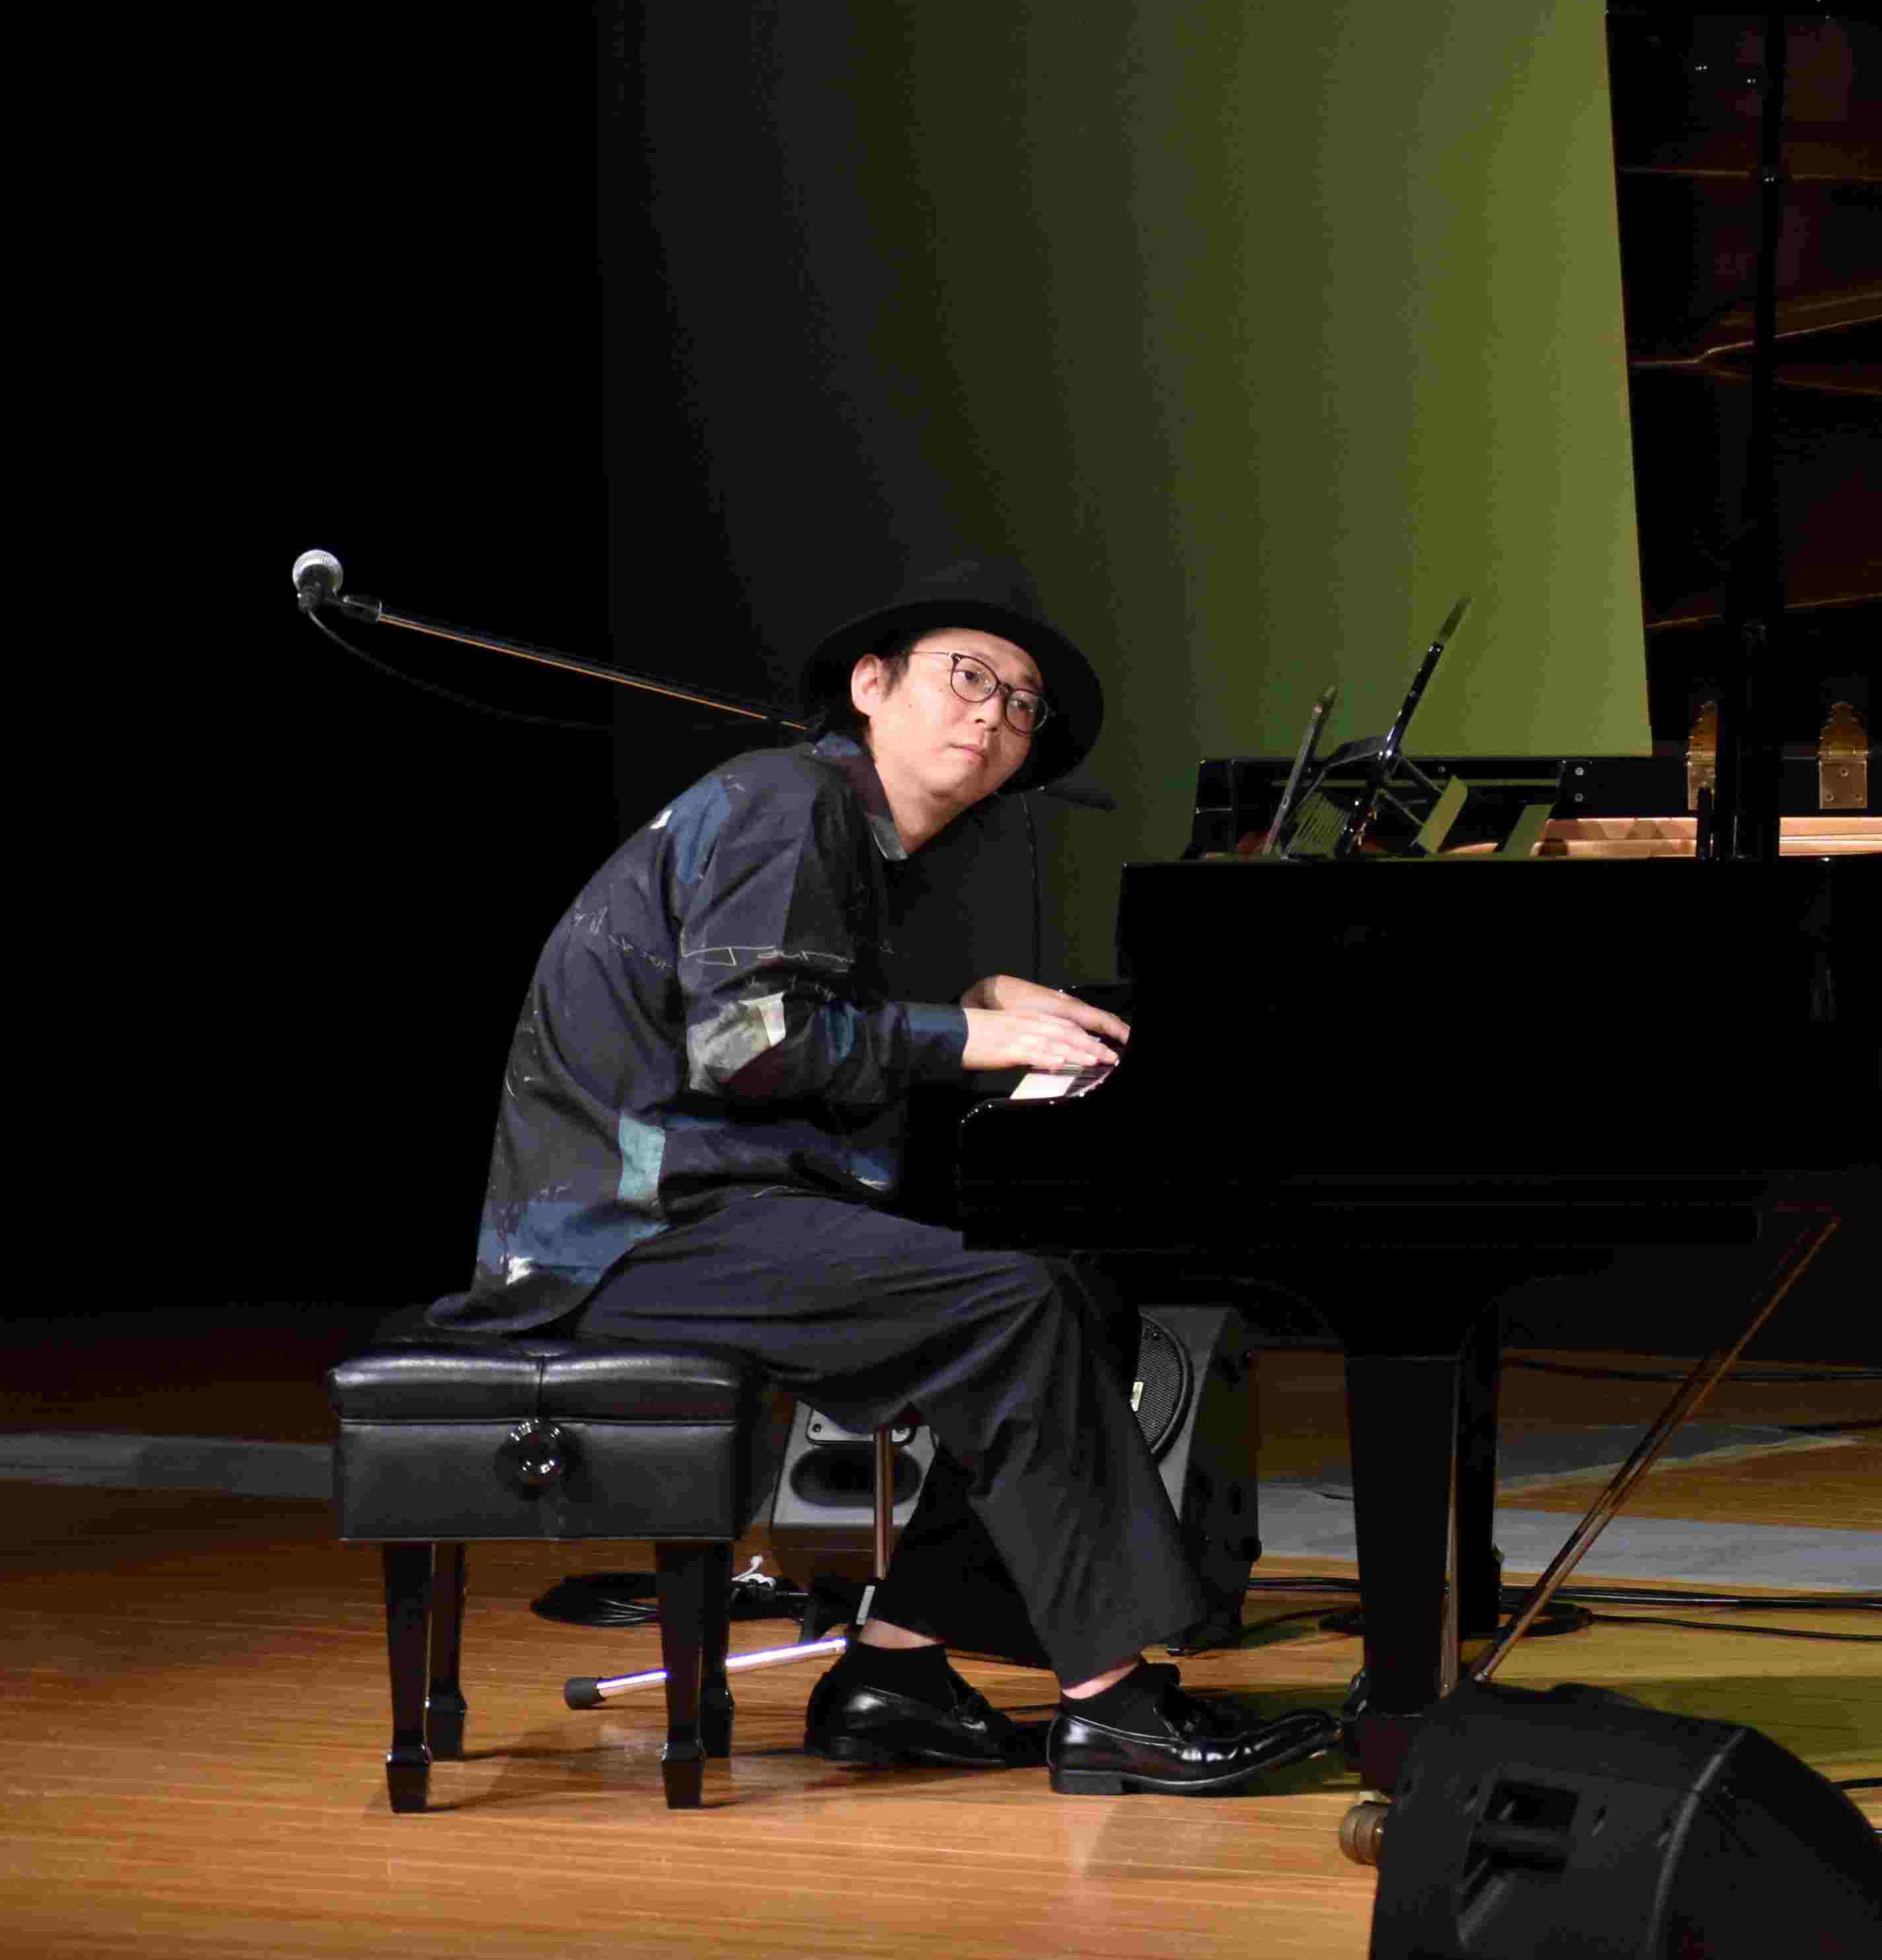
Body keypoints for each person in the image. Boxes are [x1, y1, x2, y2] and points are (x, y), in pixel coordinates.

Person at [436, 562, 1339, 1797]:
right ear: (870, 684)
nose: (994, 716)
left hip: (709, 1213)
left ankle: (896, 1669)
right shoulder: (787, 801)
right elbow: (749, 1045)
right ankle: (1115, 1708)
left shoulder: (847, 838)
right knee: (1018, 1306)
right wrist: (967, 1034)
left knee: (1071, 1288)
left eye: (1020, 707)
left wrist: (965, 1006)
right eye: (969, 678)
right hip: (629, 1237)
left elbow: (800, 1037)